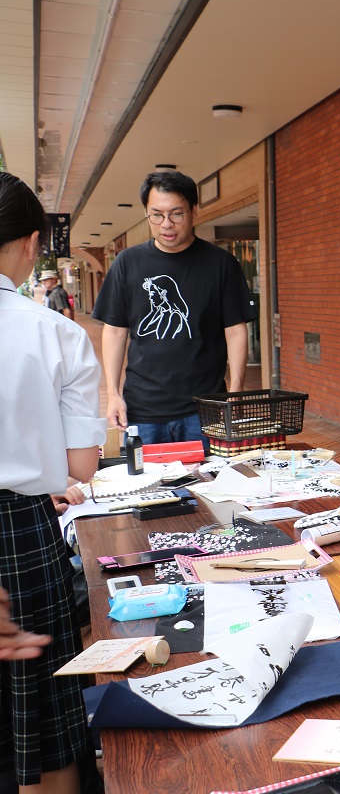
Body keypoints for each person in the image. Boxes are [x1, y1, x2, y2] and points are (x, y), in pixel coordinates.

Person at [0, 172, 106, 793]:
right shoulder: (58, 334)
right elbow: (81, 469)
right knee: (43, 725)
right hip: (23, 535)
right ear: (31, 243)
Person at [92, 171, 256, 445]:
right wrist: (113, 394)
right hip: (143, 409)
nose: (166, 224)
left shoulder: (221, 264)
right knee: (148, 485)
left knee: (206, 484)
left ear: (193, 211)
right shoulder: (127, 263)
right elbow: (115, 332)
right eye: (156, 214)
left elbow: (236, 330)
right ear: (146, 212)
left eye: (176, 214)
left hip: (205, 409)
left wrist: (235, 393)